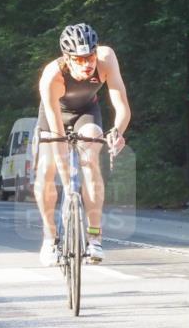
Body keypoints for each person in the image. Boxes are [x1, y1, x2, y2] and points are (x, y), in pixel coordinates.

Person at [34, 23, 130, 266]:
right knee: (46, 170)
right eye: (79, 59)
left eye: (90, 57)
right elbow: (57, 137)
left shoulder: (106, 59)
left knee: (90, 159)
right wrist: (69, 186)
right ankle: (49, 237)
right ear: (67, 58)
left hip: (87, 110)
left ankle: (95, 238)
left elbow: (122, 107)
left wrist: (117, 131)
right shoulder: (52, 76)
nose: (87, 64)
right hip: (56, 114)